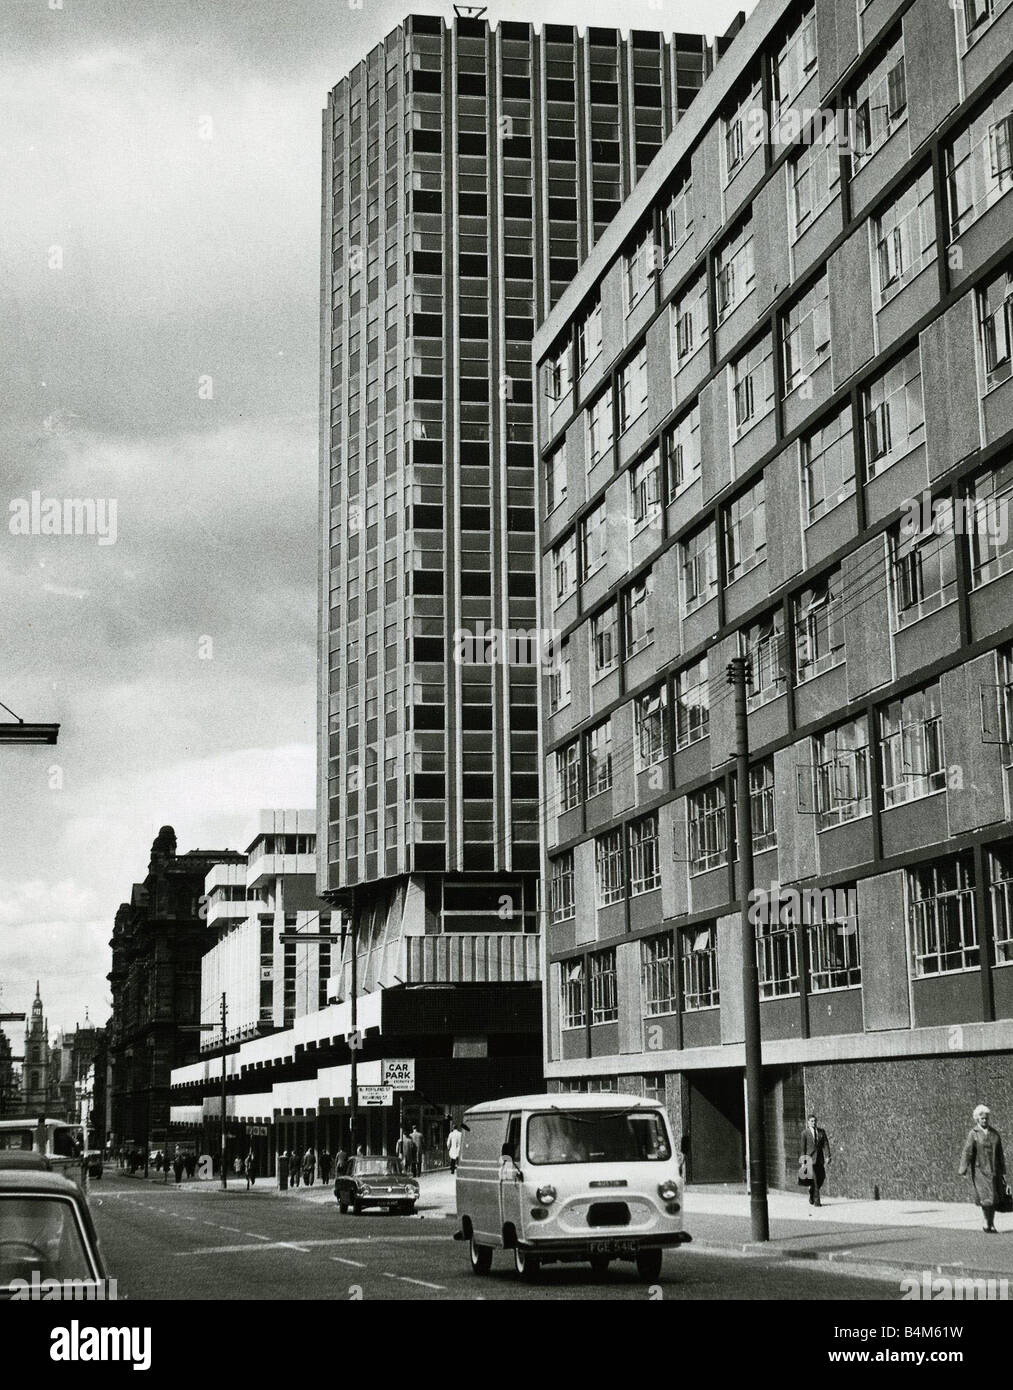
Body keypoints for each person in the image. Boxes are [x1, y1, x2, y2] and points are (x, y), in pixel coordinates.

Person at [959, 1104, 1007, 1233]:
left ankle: (991, 1223)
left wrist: (1003, 1171)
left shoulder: (994, 1133)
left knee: (994, 1198)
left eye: (986, 1118)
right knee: (986, 1198)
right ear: (977, 1119)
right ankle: (987, 1222)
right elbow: (967, 1151)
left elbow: (1000, 1153)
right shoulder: (973, 1134)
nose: (985, 1121)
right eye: (982, 1119)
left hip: (994, 1170)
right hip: (980, 1171)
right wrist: (963, 1169)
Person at [800, 1113, 831, 1207]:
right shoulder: (805, 1133)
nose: (814, 1123)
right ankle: (817, 1202)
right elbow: (803, 1148)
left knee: (821, 1177)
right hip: (809, 1159)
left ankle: (811, 1192)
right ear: (808, 1122)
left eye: (815, 1121)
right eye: (811, 1121)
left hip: (819, 1159)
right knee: (815, 1180)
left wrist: (828, 1156)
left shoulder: (821, 1132)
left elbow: (826, 1144)